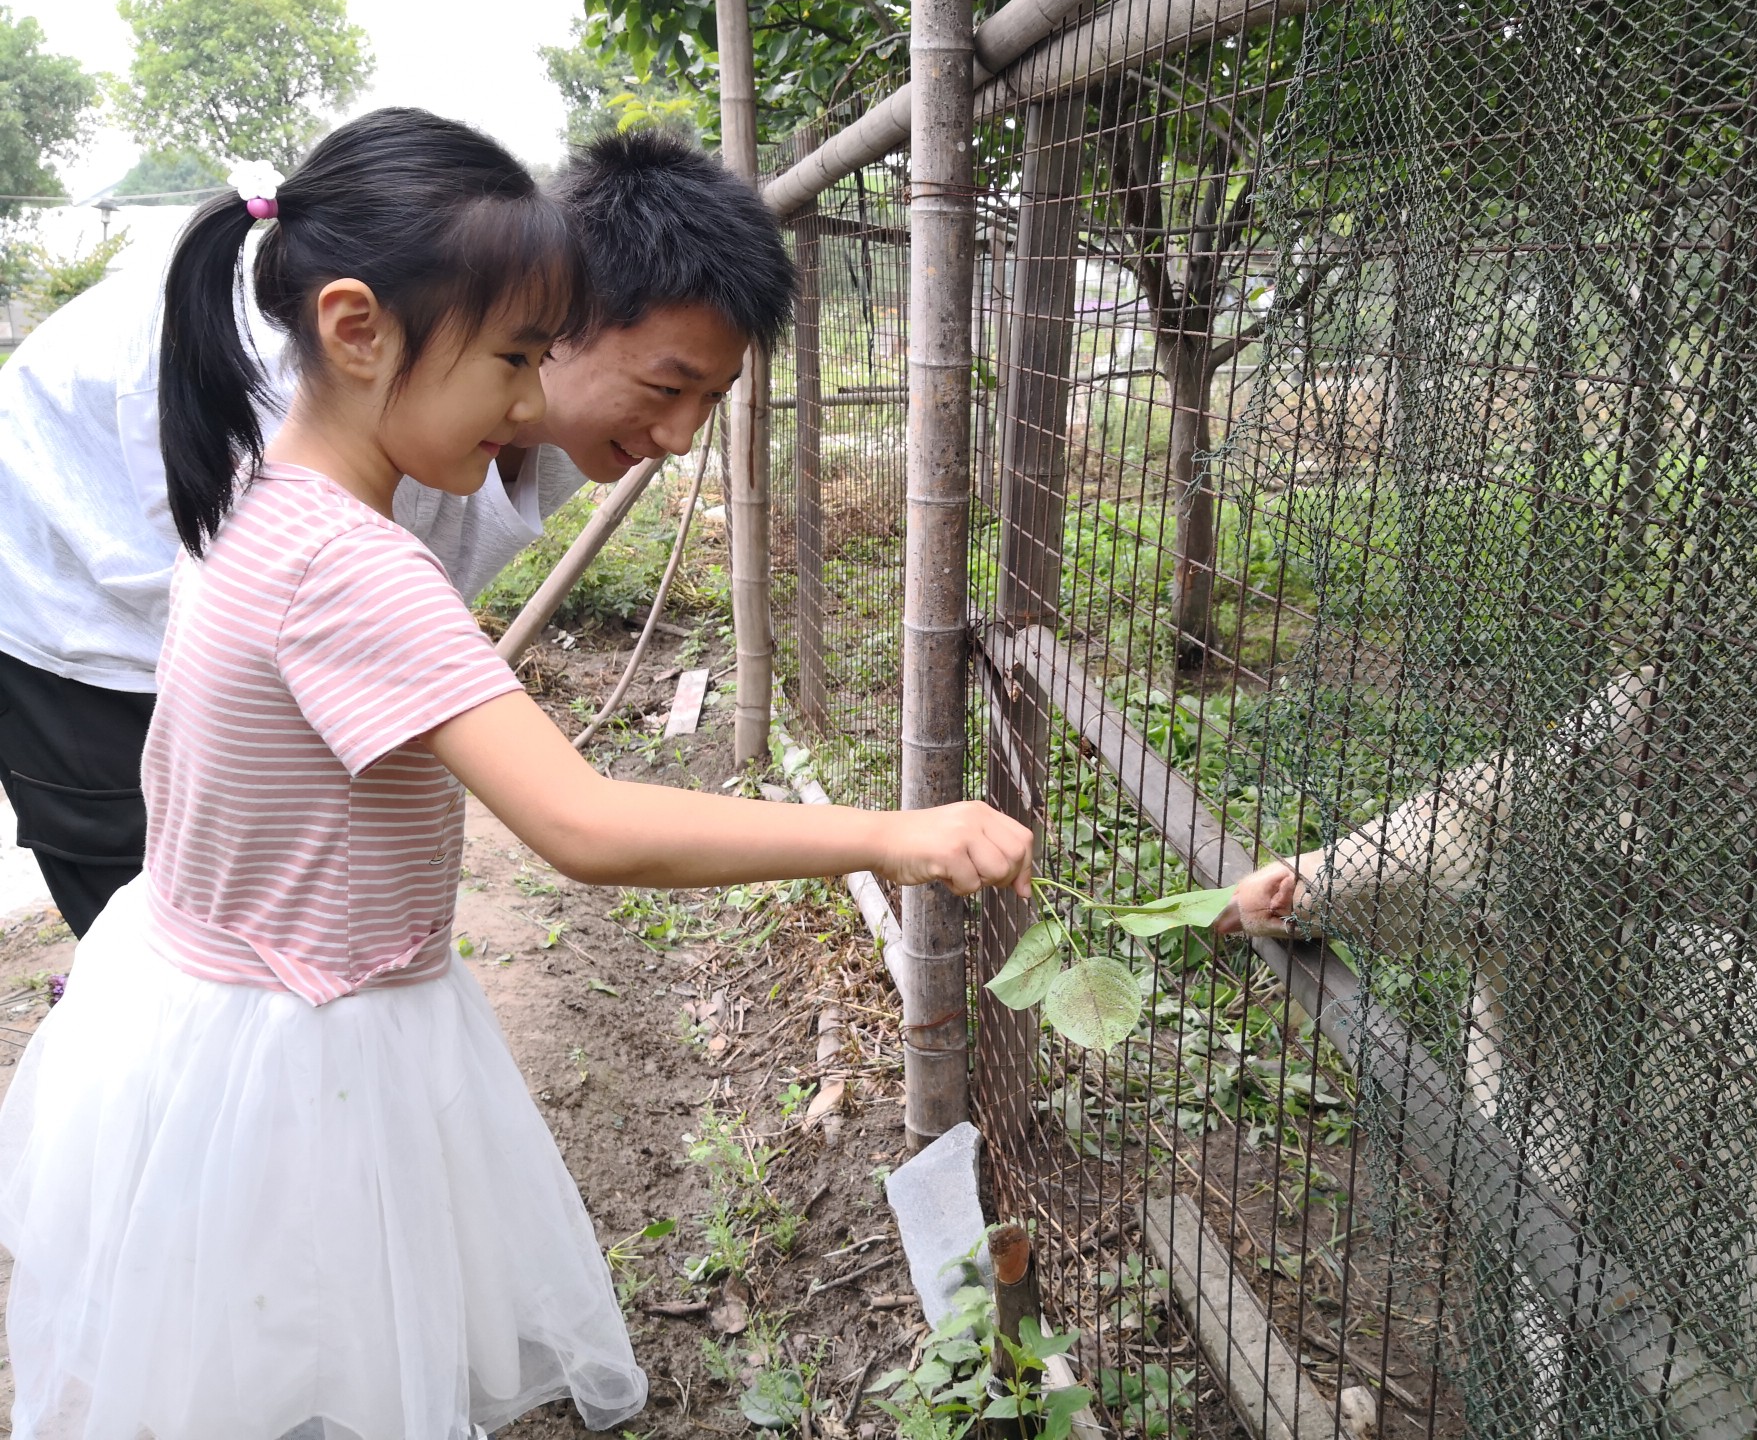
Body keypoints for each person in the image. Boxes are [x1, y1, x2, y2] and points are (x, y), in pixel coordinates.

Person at [0, 108, 1032, 1440]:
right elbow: (584, 824)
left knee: (221, 1320)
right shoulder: (358, 562)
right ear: (360, 330)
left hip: (201, 1000)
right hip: (311, 1025)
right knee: (317, 1314)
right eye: (517, 358)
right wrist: (891, 837)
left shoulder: (259, 492)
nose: (529, 400)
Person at [0, 128, 793, 937]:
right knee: (180, 927)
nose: (679, 437)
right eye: (666, 388)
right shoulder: (325, 434)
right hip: (73, 608)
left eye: (712, 398)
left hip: (224, 619)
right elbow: (578, 821)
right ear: (557, 315)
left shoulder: (492, 401)